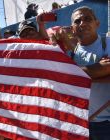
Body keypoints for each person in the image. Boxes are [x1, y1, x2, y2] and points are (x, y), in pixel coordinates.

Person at [56, 6, 110, 139]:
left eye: (87, 19)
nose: (83, 23)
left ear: (97, 23)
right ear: (72, 28)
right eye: (77, 21)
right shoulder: (69, 52)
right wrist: (98, 71)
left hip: (106, 124)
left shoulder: (108, 44)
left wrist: (70, 74)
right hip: (79, 124)